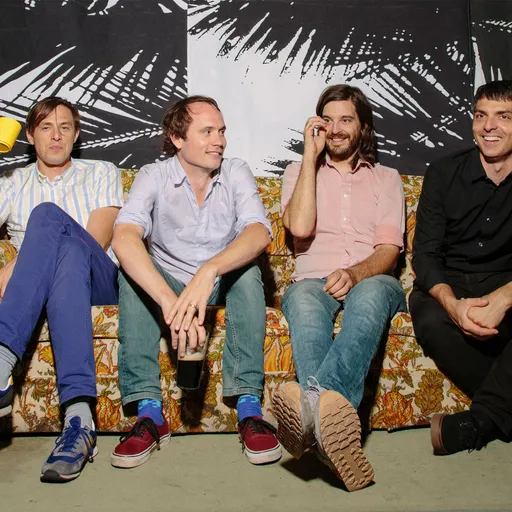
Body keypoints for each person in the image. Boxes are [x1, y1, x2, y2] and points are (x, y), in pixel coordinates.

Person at [110, 95, 281, 469]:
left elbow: (258, 232)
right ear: (177, 138)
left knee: (248, 270)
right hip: (168, 283)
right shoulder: (153, 176)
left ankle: (249, 409)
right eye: (207, 132)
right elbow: (123, 237)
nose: (219, 140)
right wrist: (170, 303)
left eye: (221, 131)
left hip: (218, 282)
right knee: (130, 270)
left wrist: (210, 270)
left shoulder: (235, 171)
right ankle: (149, 414)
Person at [273, 84, 406, 491]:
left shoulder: (386, 178)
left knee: (370, 296)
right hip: (312, 279)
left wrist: (356, 273)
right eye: (327, 120)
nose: (335, 129)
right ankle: (332, 437)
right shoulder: (298, 172)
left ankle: (311, 414)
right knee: (304, 303)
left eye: (346, 119)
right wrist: (309, 157)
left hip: (373, 277)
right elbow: (299, 228)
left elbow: (389, 250)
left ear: (362, 126)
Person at [0, 97, 123, 482]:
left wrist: (20, 263)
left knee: (55, 224)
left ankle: (0, 362)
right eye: (46, 127)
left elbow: (98, 239)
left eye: (65, 127)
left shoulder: (101, 171)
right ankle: (80, 421)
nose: (56, 136)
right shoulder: (12, 183)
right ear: (30, 136)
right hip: (48, 287)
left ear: (76, 134)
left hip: (100, 282)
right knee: (66, 255)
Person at [410, 80, 512, 456]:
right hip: (450, 284)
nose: (489, 126)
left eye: (504, 116)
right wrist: (453, 306)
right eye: (481, 115)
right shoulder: (443, 172)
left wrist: (505, 297)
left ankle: (479, 423)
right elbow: (425, 255)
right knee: (430, 320)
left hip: (507, 284)